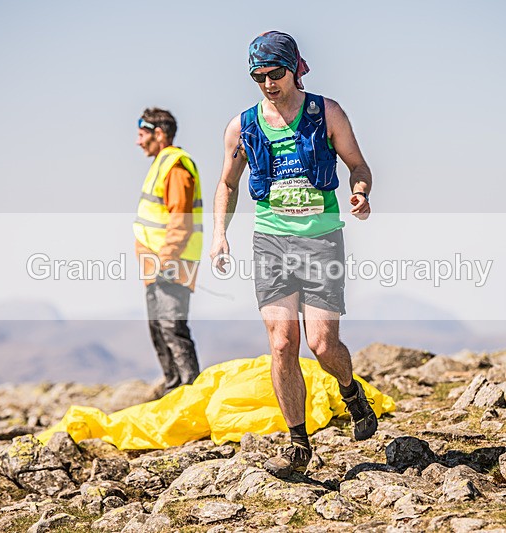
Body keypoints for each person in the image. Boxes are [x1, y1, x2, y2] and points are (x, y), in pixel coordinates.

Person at [210, 31, 376, 479]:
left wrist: (360, 193)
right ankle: (298, 444)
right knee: (283, 343)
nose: (268, 83)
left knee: (322, 345)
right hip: (271, 243)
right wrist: (219, 235)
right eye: (258, 76)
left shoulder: (327, 112)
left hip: (321, 241)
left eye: (275, 73)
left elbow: (358, 165)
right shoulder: (242, 126)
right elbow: (227, 183)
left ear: (294, 68)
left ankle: (351, 391)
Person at [133, 108, 203, 395]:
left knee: (172, 329)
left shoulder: (175, 166)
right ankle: (174, 393)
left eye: (142, 135)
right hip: (156, 267)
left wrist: (166, 259)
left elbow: (180, 219)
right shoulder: (161, 164)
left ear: (159, 134)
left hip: (171, 264)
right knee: (160, 331)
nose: (138, 141)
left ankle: (190, 394)